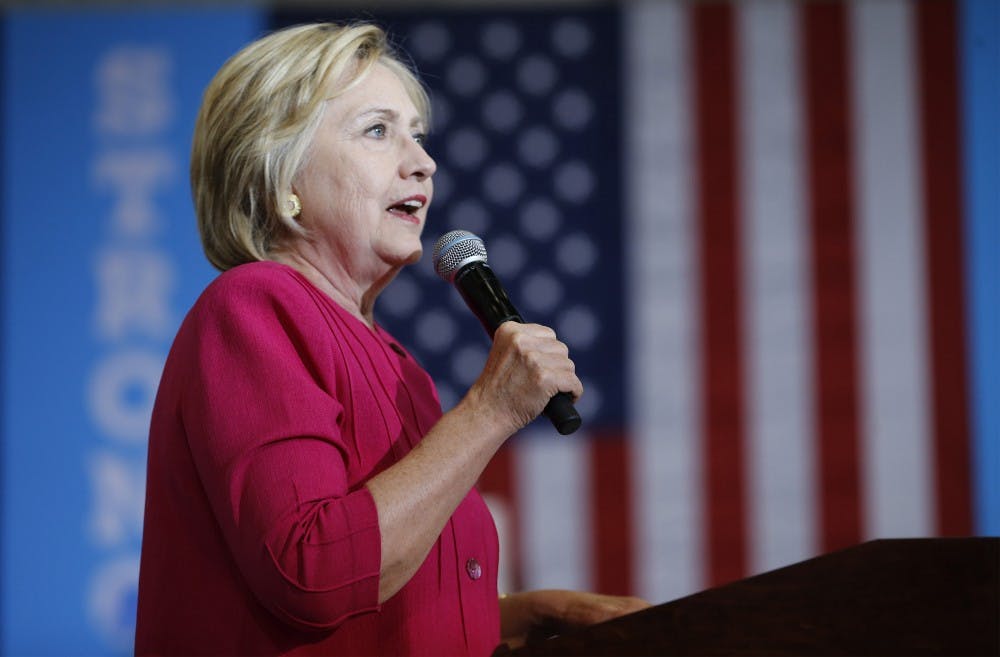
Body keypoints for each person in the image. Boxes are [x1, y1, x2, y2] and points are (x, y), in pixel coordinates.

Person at [135, 22, 649, 656]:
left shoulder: (399, 364)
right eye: (378, 131)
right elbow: (312, 570)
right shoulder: (254, 306)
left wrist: (526, 617)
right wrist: (490, 411)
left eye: (418, 135)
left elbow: (383, 600)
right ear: (281, 176)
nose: (423, 163)